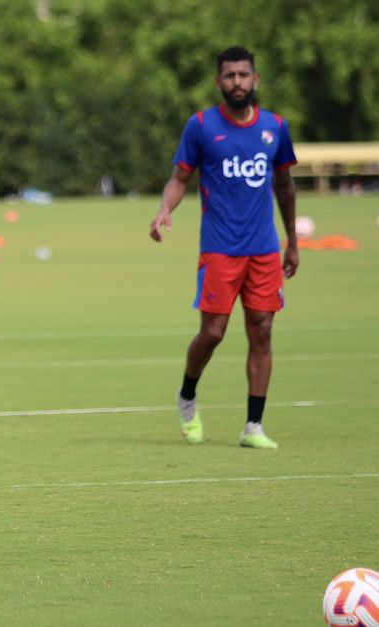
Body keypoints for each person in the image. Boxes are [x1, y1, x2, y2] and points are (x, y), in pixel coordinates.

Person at [148, 46, 299, 450]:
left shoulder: (275, 128)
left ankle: (253, 426)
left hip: (264, 249)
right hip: (219, 249)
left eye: (243, 75)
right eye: (229, 76)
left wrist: (292, 242)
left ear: (255, 79)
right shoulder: (200, 126)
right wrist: (165, 209)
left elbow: (284, 185)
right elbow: (180, 177)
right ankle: (187, 395)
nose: (237, 82)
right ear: (219, 82)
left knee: (262, 330)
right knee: (212, 333)